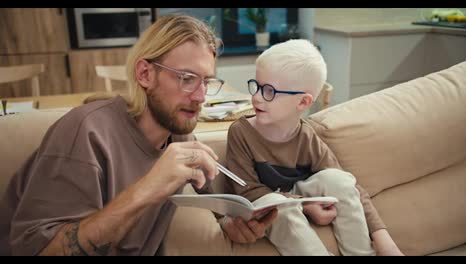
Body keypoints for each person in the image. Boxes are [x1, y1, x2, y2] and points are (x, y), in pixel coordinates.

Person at [0, 14, 277, 256]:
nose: (200, 96)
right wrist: (150, 187)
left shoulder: (180, 137)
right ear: (145, 74)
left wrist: (232, 224)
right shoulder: (85, 133)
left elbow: (219, 204)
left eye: (206, 81)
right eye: (187, 78)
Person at [224, 39, 404, 256]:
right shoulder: (241, 132)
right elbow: (248, 192)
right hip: (268, 205)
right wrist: (304, 206)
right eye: (257, 86)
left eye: (269, 91)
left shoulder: (307, 137)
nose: (256, 97)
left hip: (295, 195)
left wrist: (383, 239)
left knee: (339, 179)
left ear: (302, 102)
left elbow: (348, 187)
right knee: (278, 205)